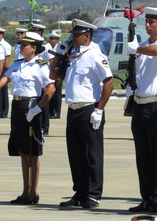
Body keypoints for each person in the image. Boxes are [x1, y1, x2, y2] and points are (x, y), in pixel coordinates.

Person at [0, 31, 55, 204]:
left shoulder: (40, 66)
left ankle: (33, 193)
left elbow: (51, 89)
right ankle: (25, 192)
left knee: (33, 153)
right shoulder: (17, 64)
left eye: (26, 45)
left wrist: (37, 109)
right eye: (21, 44)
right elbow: (1, 82)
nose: (22, 47)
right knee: (23, 151)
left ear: (35, 48)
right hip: (17, 108)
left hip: (31, 107)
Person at [50, 19, 114, 209]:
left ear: (87, 35)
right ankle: (80, 192)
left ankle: (94, 194)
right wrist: (59, 55)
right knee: (76, 154)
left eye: (76, 34)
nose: (73, 37)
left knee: (92, 155)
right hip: (73, 109)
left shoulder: (96, 55)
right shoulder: (72, 55)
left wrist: (99, 109)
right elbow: (54, 76)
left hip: (89, 109)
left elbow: (108, 83)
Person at [126, 7, 157, 213]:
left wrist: (136, 49)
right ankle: (146, 198)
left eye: (152, 22)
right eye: (146, 21)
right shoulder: (144, 44)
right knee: (143, 156)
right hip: (140, 104)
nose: (147, 25)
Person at [29, 23, 53, 136]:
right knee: (36, 103)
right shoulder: (33, 45)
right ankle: (37, 126)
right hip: (35, 79)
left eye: (36, 32)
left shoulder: (46, 48)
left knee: (44, 103)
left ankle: (44, 127)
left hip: (44, 78)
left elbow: (52, 62)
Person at [0, 27, 11, 118]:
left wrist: (4, 72)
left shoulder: (5, 45)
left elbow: (7, 59)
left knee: (3, 92)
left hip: (4, 70)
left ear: (1, 34)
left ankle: (4, 111)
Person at [46, 30, 62, 119]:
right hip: (49, 73)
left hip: (57, 72)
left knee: (57, 94)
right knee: (50, 93)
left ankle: (56, 112)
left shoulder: (60, 48)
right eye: (51, 38)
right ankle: (50, 111)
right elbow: (50, 61)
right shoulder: (47, 47)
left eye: (54, 39)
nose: (51, 40)